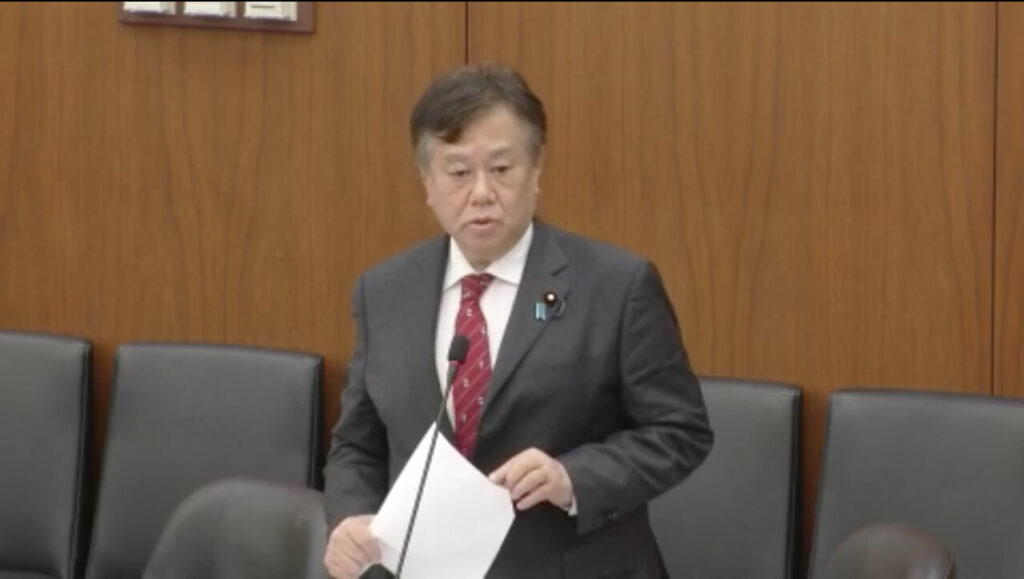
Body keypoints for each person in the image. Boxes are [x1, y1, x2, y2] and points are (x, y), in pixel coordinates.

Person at [322, 64, 713, 579]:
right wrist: (350, 517)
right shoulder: (384, 293)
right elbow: (357, 444)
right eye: (458, 173)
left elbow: (680, 430)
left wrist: (573, 478)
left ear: (536, 169)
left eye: (502, 169)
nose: (482, 193)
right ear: (427, 182)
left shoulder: (616, 286)